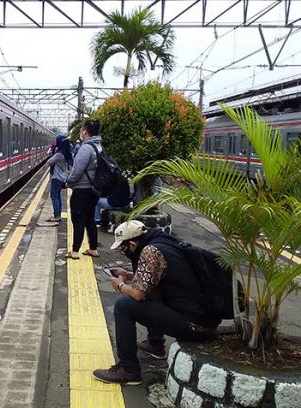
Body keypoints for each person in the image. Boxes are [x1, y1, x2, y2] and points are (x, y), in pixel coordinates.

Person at [93, 220, 217, 385]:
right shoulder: (162, 241)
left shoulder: (150, 251)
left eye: (123, 248)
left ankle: (128, 370)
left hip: (193, 325)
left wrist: (120, 285)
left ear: (132, 243)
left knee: (124, 306)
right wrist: (129, 274)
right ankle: (155, 344)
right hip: (202, 319)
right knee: (151, 291)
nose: (123, 252)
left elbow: (138, 294)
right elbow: (155, 276)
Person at [65, 120, 102, 259]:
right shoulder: (98, 146)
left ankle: (74, 251)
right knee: (90, 219)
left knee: (78, 220)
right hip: (93, 190)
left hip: (82, 190)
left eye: (81, 130)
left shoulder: (86, 148)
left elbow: (77, 171)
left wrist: (68, 182)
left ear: (85, 132)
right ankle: (93, 249)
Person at [46, 135, 73, 222]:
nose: (55, 142)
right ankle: (58, 214)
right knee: (58, 196)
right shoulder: (66, 153)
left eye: (56, 141)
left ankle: (57, 215)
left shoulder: (59, 154)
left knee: (54, 196)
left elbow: (49, 162)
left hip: (57, 177)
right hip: (62, 177)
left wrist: (53, 150)